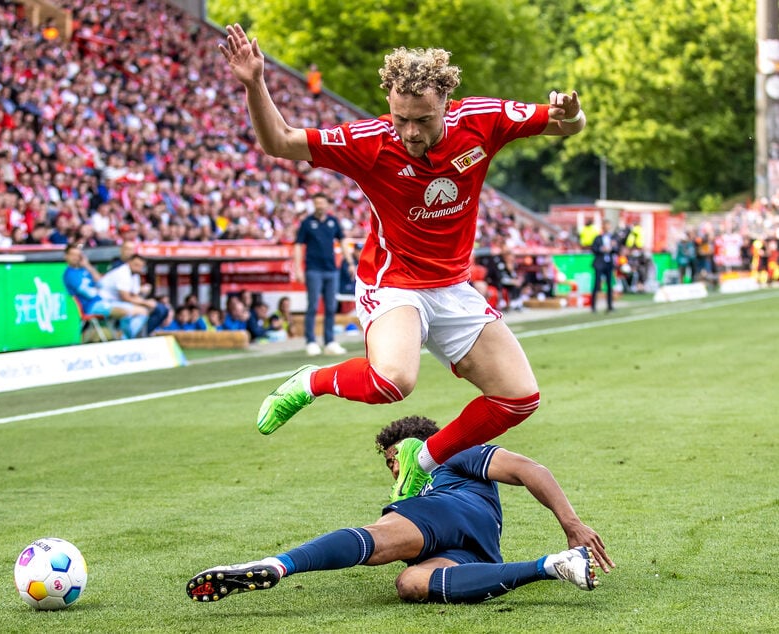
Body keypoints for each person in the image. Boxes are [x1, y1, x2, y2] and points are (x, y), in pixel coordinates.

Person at [219, 24, 586, 499]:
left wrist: (572, 114)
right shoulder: (369, 141)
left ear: (447, 106)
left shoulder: (485, 119)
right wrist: (254, 84)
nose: (411, 131)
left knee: (518, 398)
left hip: (452, 287)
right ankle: (309, 381)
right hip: (394, 282)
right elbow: (280, 142)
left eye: (423, 120)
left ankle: (424, 458)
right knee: (394, 381)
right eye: (401, 118)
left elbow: (568, 126)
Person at [187, 415, 614, 605]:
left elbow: (528, 469)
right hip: (477, 547)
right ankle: (553, 566)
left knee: (378, 539)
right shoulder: (422, 485)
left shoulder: (448, 452)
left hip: (450, 510)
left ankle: (277, 565)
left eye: (395, 457)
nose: (394, 466)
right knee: (411, 583)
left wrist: (571, 522)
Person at [294, 192, 356, 356]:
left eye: (322, 202)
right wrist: (298, 268)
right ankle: (311, 341)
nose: (319, 205)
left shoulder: (332, 221)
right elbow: (298, 245)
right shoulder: (307, 223)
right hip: (313, 269)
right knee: (313, 306)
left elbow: (342, 241)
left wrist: (350, 263)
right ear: (313, 204)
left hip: (331, 269)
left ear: (327, 204)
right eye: (317, 203)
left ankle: (330, 341)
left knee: (330, 307)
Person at [62, 242, 152, 340]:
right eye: (73, 255)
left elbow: (100, 282)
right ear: (66, 256)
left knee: (142, 311)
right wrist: (102, 292)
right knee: (125, 312)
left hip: (103, 301)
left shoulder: (84, 270)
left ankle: (124, 338)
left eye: (78, 255)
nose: (76, 257)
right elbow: (89, 293)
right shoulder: (70, 274)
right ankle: (123, 339)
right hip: (91, 305)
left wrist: (87, 265)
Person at [98, 252, 170, 336]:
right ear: (129, 262)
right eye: (136, 265)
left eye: (140, 266)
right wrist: (146, 303)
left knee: (159, 309)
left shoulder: (135, 275)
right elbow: (125, 297)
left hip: (118, 302)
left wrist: (148, 303)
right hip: (105, 303)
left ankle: (140, 335)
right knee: (142, 311)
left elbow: (134, 296)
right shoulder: (122, 273)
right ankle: (128, 338)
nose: (138, 268)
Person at [590, 220, 618, 313]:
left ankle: (610, 306)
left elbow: (617, 249)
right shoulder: (598, 238)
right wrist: (602, 249)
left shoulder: (613, 238)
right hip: (599, 263)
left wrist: (612, 247)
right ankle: (593, 306)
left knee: (609, 285)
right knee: (597, 285)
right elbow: (594, 249)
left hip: (609, 263)